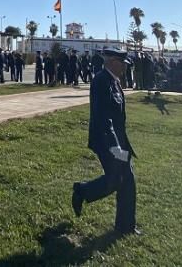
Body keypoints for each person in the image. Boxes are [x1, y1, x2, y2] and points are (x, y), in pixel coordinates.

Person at [71, 48, 140, 237]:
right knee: (121, 179)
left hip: (117, 141)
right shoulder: (101, 81)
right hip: (107, 141)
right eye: (122, 64)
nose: (125, 68)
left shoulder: (114, 81)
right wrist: (115, 147)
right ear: (112, 62)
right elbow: (103, 118)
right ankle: (83, 191)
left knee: (124, 180)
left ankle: (125, 226)